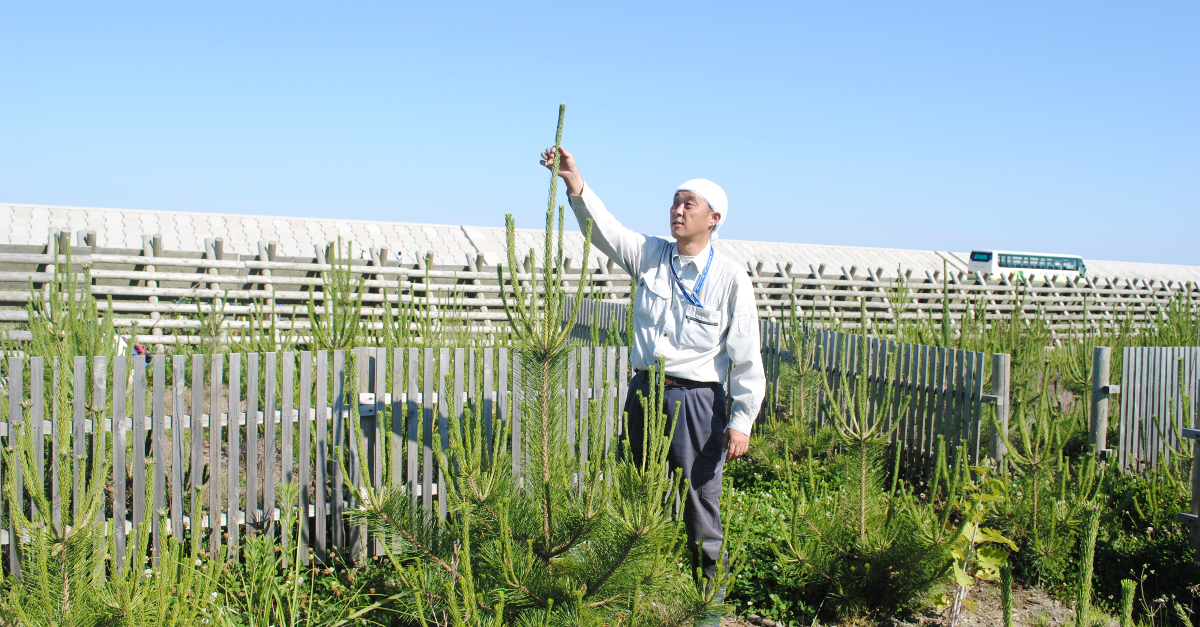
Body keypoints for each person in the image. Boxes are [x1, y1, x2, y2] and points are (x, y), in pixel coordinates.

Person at [540, 146, 765, 585]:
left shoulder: (729, 278)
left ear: (714, 218)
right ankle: (626, 588)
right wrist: (575, 183)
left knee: (699, 500)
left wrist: (742, 420)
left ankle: (706, 601)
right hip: (645, 391)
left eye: (688, 204)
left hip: (697, 401)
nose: (677, 211)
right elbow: (605, 230)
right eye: (674, 202)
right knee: (635, 490)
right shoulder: (651, 255)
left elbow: (745, 354)